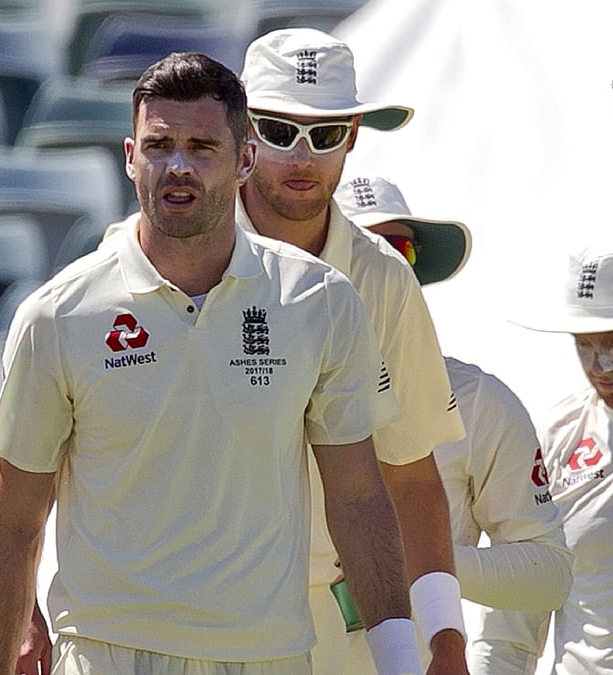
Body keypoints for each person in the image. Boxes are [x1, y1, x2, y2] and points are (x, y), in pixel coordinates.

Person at [0, 51, 424, 675]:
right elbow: (12, 522)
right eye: (160, 145)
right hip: (107, 652)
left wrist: (401, 662)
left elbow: (358, 501)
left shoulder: (319, 299)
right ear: (131, 156)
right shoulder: (56, 315)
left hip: (268, 654)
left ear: (243, 161)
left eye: (202, 147)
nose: (178, 166)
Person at [231, 29, 469, 673]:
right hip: (193, 610)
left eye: (327, 133)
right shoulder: (168, 252)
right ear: (244, 128)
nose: (303, 155)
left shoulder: (386, 277)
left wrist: (447, 642)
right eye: (281, 130)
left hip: (346, 620)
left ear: (356, 136)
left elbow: (414, 478)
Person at [336, 176, 574, 672]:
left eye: (398, 250)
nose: (379, 267)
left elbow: (549, 572)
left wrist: (420, 558)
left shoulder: (479, 401)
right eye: (356, 250)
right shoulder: (259, 389)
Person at [468, 240, 613, 674]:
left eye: (612, 340)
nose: (600, 364)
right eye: (583, 343)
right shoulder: (552, 438)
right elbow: (511, 627)